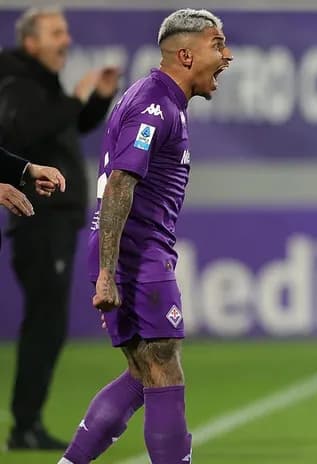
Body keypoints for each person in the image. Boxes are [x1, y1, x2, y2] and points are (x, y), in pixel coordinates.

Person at [59, 9, 232, 464]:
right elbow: (120, 183)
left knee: (141, 373)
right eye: (218, 45)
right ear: (185, 54)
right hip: (137, 254)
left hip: (130, 252)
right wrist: (108, 274)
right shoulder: (155, 104)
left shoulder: (162, 101)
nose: (227, 56)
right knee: (162, 367)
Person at [0, 6, 118, 450]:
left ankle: (27, 423)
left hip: (56, 217)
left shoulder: (38, 82)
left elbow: (62, 130)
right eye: (56, 32)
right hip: (39, 217)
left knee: (49, 324)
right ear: (31, 42)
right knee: (45, 324)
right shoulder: (15, 81)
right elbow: (23, 132)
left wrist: (98, 100)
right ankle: (24, 425)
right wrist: (75, 98)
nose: (65, 39)